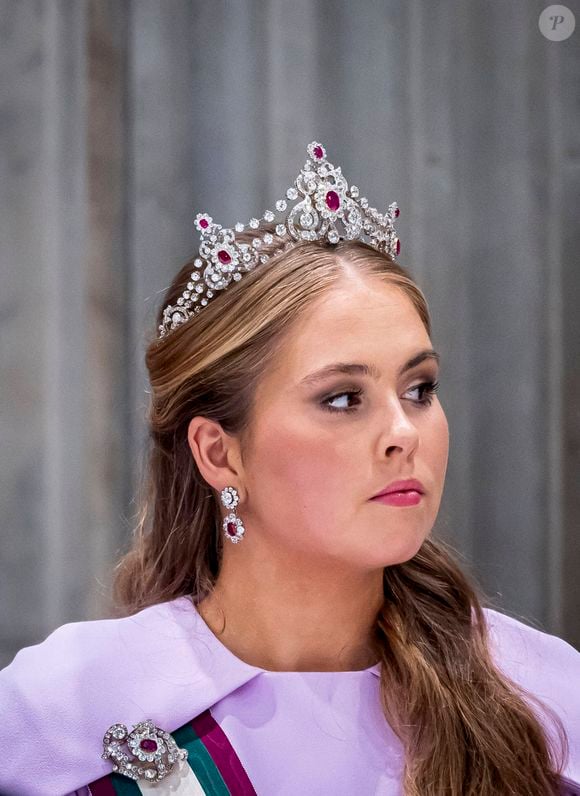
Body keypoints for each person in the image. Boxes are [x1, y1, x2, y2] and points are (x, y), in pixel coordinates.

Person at [1, 142, 579, 796]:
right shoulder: (61, 711)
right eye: (342, 398)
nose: (402, 433)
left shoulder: (544, 698)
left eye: (419, 389)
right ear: (220, 453)